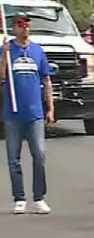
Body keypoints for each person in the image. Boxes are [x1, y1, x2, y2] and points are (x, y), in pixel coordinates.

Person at [1, 13, 53, 214]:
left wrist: (50, 108)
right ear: (14, 27)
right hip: (13, 114)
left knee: (39, 154)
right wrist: (4, 57)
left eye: (27, 24)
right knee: (13, 158)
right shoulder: (6, 50)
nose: (25, 28)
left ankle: (39, 197)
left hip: (35, 113)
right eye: (21, 24)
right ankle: (19, 197)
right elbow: (0, 77)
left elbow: (46, 80)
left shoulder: (38, 51)